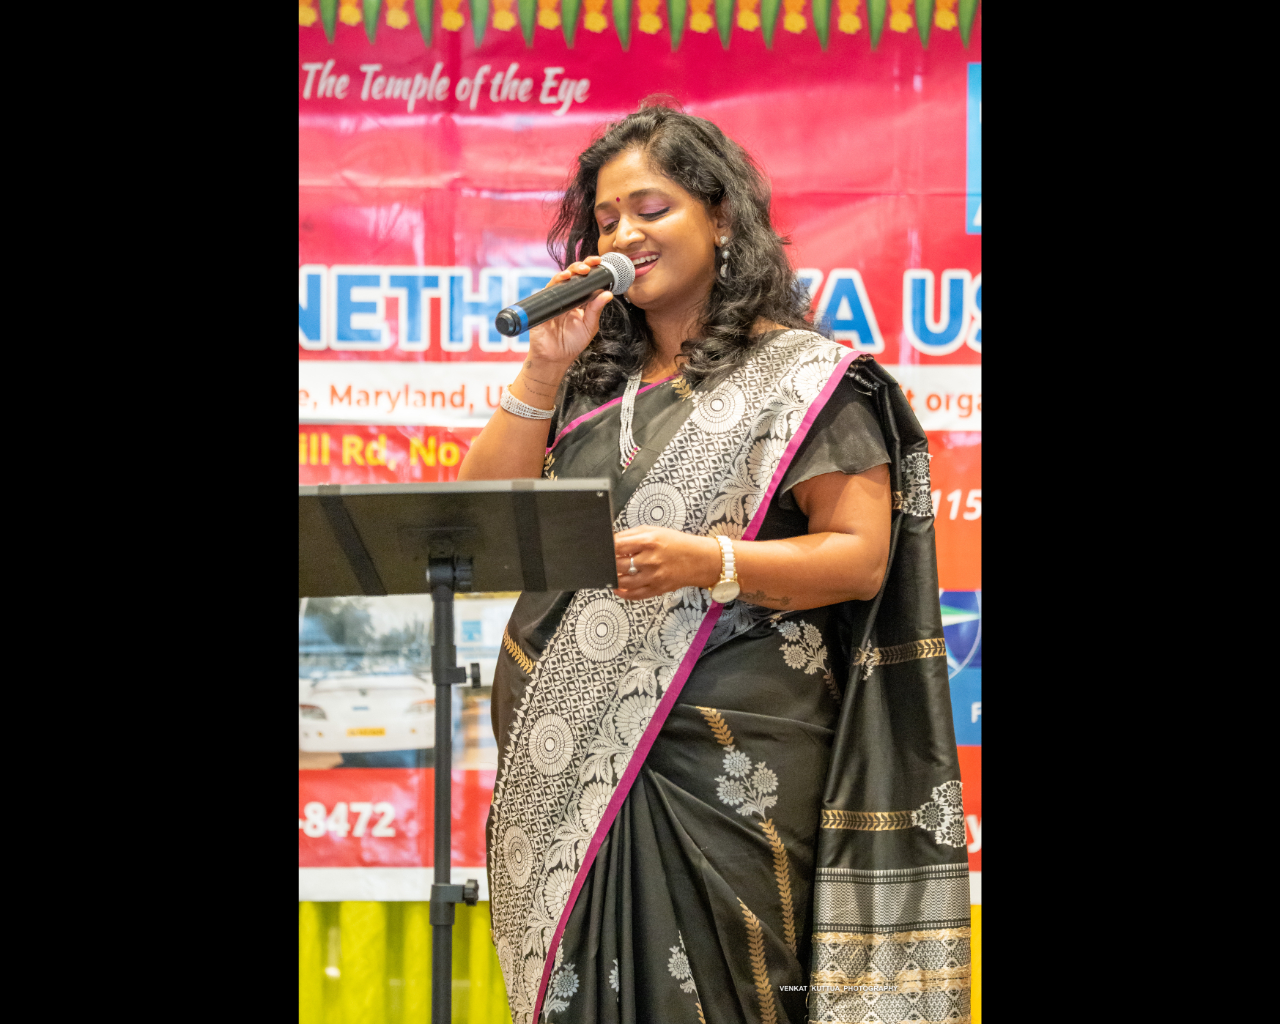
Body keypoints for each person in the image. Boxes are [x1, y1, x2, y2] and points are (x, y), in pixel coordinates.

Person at [460, 103, 970, 1024]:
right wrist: (542, 370)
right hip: (563, 772)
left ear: (722, 215)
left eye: (650, 209)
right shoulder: (588, 389)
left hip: (730, 769)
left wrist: (711, 560)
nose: (624, 234)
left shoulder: (806, 378)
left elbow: (859, 559)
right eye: (606, 219)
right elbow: (483, 529)